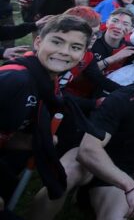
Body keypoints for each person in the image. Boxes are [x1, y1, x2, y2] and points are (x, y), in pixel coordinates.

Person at [31, 57, 134, 220]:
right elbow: (87, 151)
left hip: (120, 171)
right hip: (90, 162)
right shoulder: (121, 99)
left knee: (117, 216)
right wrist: (130, 186)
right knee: (63, 177)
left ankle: (86, 196)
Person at [0, 15, 93, 217]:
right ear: (38, 41)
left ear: (83, 54)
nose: (64, 52)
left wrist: (31, 141)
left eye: (75, 47)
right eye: (57, 42)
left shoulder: (47, 81)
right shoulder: (16, 80)